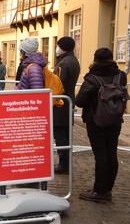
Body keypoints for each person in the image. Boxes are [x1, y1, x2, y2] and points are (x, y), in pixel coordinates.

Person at [76, 48, 128, 203]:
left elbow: (79, 101)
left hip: (96, 121)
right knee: (112, 153)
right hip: (115, 120)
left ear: (95, 59)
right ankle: (108, 189)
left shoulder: (92, 78)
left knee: (101, 155)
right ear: (112, 58)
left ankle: (99, 192)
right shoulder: (121, 75)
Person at [15, 38, 46, 189]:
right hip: (24, 112)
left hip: (29, 115)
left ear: (25, 52)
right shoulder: (30, 66)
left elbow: (37, 93)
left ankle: (30, 180)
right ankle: (24, 177)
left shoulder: (33, 68)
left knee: (29, 149)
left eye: (21, 50)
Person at [53, 37, 80, 174]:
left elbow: (58, 84)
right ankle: (65, 163)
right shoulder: (73, 60)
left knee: (60, 134)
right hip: (68, 101)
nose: (56, 48)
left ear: (62, 47)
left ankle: (63, 164)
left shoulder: (64, 63)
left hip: (61, 103)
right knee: (65, 133)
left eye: (58, 46)